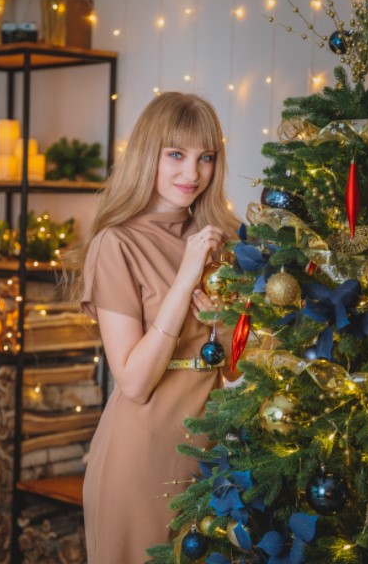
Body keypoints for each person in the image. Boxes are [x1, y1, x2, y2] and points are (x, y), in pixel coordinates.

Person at [66, 92, 241, 563]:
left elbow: (243, 374)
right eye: (176, 155)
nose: (193, 173)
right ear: (148, 155)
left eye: (206, 157)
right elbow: (135, 382)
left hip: (217, 460)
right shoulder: (115, 243)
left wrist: (224, 327)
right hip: (140, 457)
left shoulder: (226, 241)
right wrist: (185, 278)